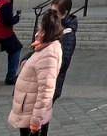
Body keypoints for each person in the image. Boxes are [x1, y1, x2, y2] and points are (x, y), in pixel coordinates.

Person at [7, 7, 64, 136]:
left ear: (44, 29)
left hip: (31, 112)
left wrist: (36, 121)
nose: (38, 29)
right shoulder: (44, 48)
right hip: (27, 108)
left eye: (40, 26)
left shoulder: (49, 54)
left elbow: (46, 91)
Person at [51, 0, 78, 107]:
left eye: (54, 12)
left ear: (64, 13)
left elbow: (64, 61)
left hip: (51, 82)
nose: (51, 16)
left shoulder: (68, 34)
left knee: (39, 120)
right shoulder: (50, 28)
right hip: (38, 82)